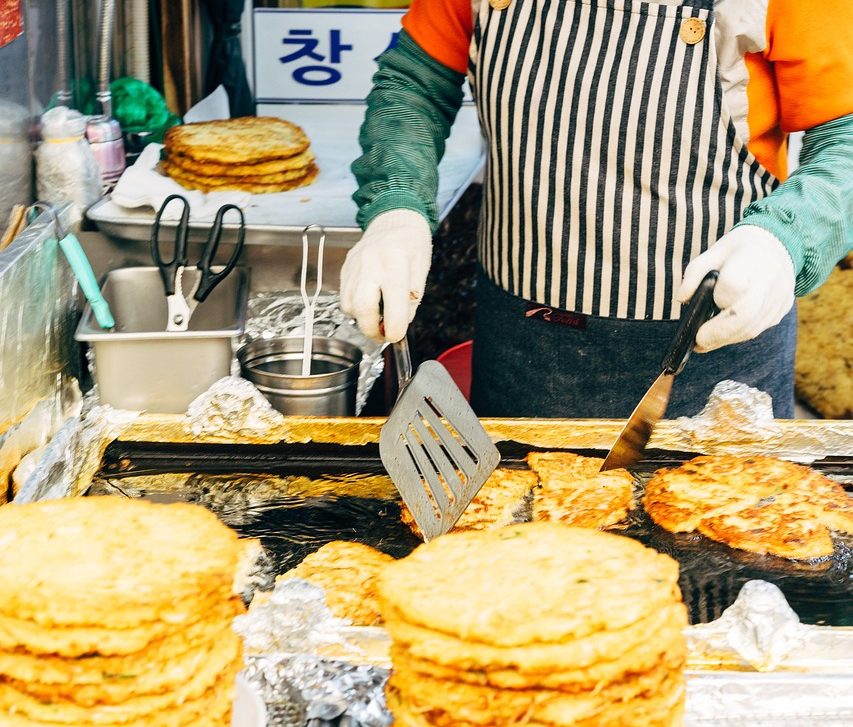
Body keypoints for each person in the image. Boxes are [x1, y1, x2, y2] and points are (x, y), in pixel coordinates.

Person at [341, 0, 853, 418]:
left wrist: (786, 239)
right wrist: (396, 208)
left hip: (713, 359)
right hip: (520, 344)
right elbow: (413, 83)